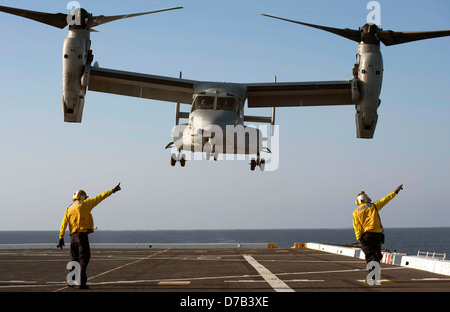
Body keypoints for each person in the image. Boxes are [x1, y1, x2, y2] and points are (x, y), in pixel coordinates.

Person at [57, 183, 121, 289]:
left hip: (72, 237)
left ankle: (71, 280)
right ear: (82, 196)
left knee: (74, 258)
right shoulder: (85, 204)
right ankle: (82, 282)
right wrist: (112, 191)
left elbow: (63, 223)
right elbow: (100, 197)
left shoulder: (69, 209)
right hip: (81, 236)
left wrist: (61, 237)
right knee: (84, 258)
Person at [352, 185, 403, 264]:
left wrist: (359, 238)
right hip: (377, 235)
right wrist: (395, 192)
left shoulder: (356, 212)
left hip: (366, 236)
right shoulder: (374, 206)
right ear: (366, 199)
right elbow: (385, 200)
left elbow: (357, 226)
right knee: (377, 256)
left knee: (370, 256)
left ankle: (373, 274)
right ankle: (375, 273)